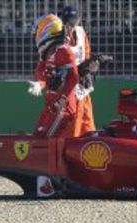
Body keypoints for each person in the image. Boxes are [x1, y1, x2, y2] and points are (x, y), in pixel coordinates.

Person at [28, 14, 79, 139]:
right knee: (37, 136)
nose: (37, 34)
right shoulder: (48, 53)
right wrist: (39, 84)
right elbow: (41, 73)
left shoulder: (64, 51)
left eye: (40, 30)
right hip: (50, 105)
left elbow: (74, 78)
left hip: (62, 107)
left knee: (45, 140)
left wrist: (61, 99)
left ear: (48, 30)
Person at [62, 6, 97, 137]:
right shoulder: (59, 38)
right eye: (67, 22)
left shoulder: (82, 34)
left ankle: (90, 142)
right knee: (73, 123)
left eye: (72, 22)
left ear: (78, 21)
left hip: (82, 86)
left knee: (88, 122)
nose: (69, 25)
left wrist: (93, 65)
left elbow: (86, 55)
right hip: (68, 89)